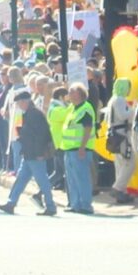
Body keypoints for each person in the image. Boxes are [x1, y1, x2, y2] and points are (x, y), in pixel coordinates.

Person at [0, 89, 59, 215]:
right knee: (21, 179)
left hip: (35, 154)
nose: (19, 106)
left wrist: (39, 153)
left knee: (42, 181)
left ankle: (51, 206)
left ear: (25, 102)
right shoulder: (30, 113)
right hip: (29, 153)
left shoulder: (34, 114)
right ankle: (11, 203)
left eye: (19, 103)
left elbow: (41, 135)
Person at [53, 83, 98, 214]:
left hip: (80, 149)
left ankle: (86, 205)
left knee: (82, 178)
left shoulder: (85, 108)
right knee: (72, 179)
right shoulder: (72, 108)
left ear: (80, 94)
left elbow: (88, 128)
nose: (69, 94)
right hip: (69, 149)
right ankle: (75, 204)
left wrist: (82, 147)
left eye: (72, 92)